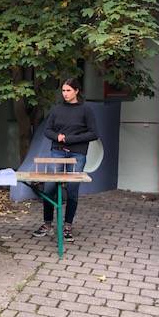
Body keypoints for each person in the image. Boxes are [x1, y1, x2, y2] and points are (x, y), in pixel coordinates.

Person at [32, 78, 98, 242]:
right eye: (63, 91)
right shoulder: (57, 109)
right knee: (49, 188)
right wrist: (58, 137)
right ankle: (47, 225)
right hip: (58, 152)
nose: (65, 94)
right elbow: (48, 130)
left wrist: (69, 139)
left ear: (76, 91)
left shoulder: (86, 110)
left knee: (72, 191)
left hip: (77, 155)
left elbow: (93, 133)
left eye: (68, 90)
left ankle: (68, 226)